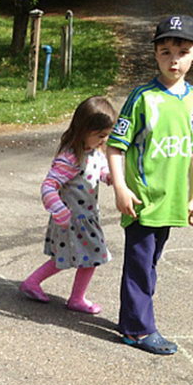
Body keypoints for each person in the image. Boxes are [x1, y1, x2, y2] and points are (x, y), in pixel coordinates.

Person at [107, 14, 193, 354]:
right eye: (165, 51)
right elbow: (115, 147)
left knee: (149, 264)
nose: (173, 59)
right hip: (142, 200)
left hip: (172, 200)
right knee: (139, 265)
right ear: (155, 54)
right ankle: (137, 330)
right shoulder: (142, 98)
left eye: (181, 51)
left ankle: (132, 320)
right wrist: (121, 188)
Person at [20, 95, 117, 314]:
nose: (104, 140)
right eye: (100, 135)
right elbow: (48, 186)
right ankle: (76, 299)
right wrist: (59, 209)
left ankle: (32, 283)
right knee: (89, 258)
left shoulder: (93, 150)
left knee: (68, 258)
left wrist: (107, 176)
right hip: (72, 219)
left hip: (86, 218)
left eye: (107, 135)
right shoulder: (70, 157)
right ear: (84, 130)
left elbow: (97, 169)